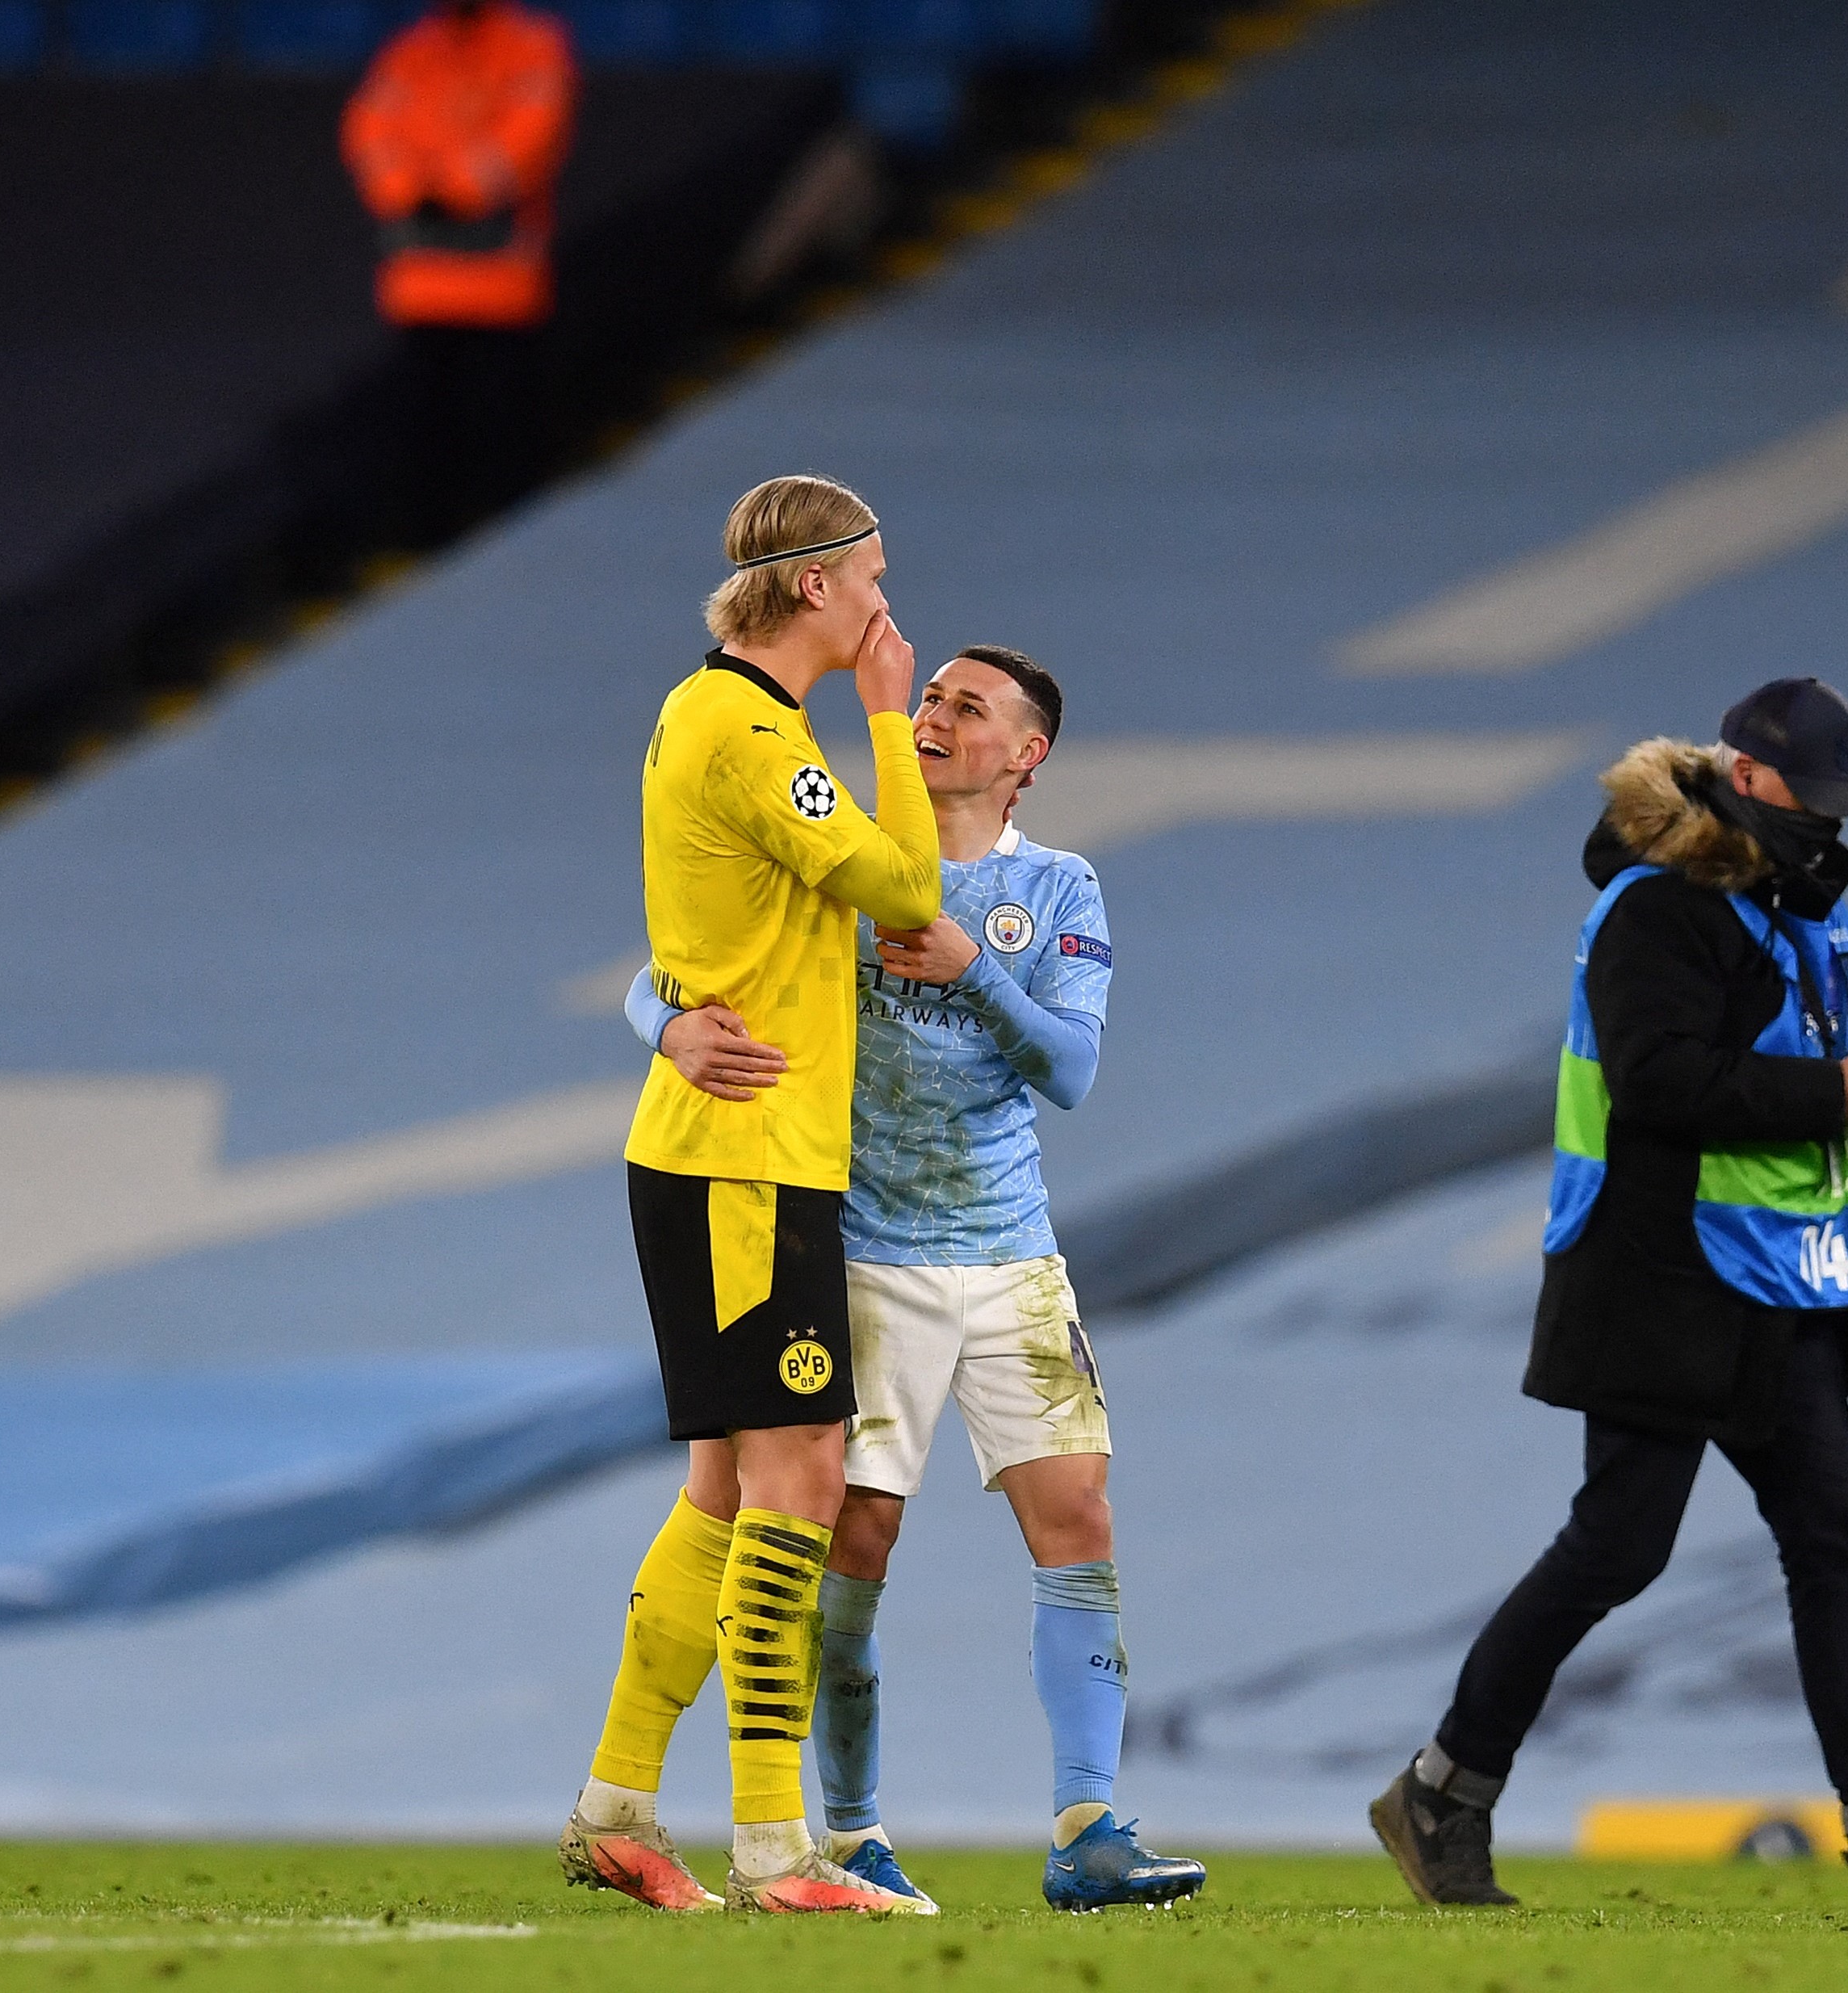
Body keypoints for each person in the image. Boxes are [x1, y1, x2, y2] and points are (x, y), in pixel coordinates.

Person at [1368, 678, 1848, 1913]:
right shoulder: (1660, 908)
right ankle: (1441, 1791)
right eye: (1812, 795)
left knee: (1836, 1535)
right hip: (1659, 1278)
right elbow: (1660, 1084)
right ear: (1744, 774)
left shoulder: (1771, 906)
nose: (1829, 823)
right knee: (1620, 1547)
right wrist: (1844, 1092)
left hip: (1768, 1279)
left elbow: (1818, 1036)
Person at [631, 645, 1207, 1913]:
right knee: (856, 1540)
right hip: (865, 1257)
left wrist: (972, 969)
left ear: (1026, 756)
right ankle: (850, 1834)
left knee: (1080, 1523)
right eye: (929, 697)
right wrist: (666, 1026)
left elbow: (1071, 1071)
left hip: (1011, 1258)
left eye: (969, 707)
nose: (939, 717)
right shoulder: (833, 850)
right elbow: (663, 970)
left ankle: (1090, 1825)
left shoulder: (1059, 887)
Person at [560, 474, 944, 1915]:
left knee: (730, 1480)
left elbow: (707, 927)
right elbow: (906, 887)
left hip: (728, 1148)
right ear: (813, 589)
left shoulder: (715, 715)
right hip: (744, 1161)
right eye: (874, 582)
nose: (886, 610)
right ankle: (778, 1848)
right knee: (801, 1467)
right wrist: (895, 721)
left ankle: (615, 1806)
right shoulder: (751, 732)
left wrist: (656, 1012)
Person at [340, 0, 576, 543]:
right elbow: (370, 131)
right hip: (421, 291)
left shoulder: (532, 45)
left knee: (505, 435)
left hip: (503, 288)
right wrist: (410, 190)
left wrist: (449, 188)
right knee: (425, 440)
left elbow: (533, 131)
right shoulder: (411, 52)